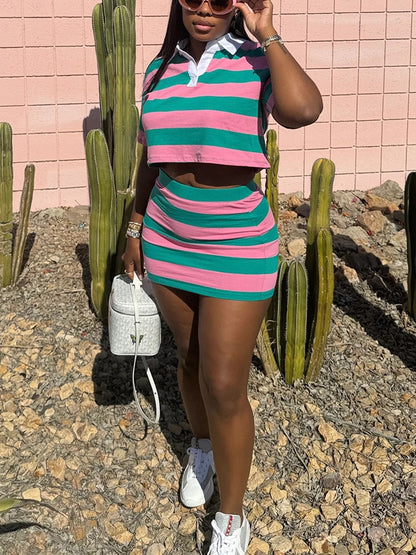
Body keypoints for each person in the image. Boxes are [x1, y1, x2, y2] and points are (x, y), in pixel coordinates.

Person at [122, 0, 322, 553]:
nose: (204, 9)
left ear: (237, 3)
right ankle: (203, 447)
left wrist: (268, 33)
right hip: (168, 235)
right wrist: (135, 225)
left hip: (237, 242)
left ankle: (231, 518)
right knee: (189, 360)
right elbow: (151, 157)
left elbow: (304, 110)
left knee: (226, 385)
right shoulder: (159, 68)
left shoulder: (256, 61)